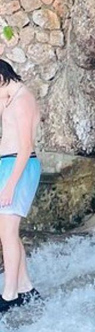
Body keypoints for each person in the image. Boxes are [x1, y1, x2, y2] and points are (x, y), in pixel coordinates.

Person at [0, 60, 41, 313]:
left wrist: (10, 185)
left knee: (7, 234)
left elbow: (25, 147)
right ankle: (25, 287)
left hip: (20, 168)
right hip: (7, 165)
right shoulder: (10, 98)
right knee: (7, 232)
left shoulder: (23, 99)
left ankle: (9, 295)